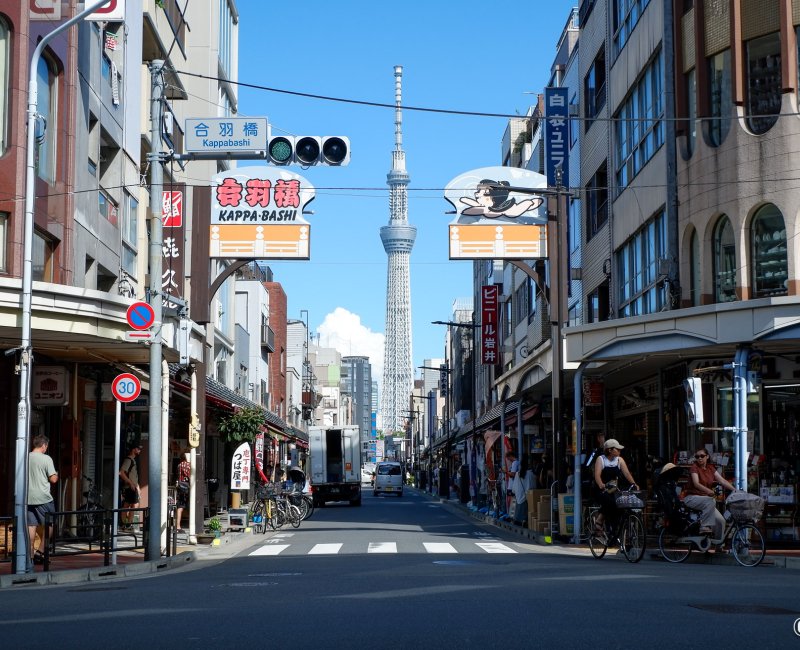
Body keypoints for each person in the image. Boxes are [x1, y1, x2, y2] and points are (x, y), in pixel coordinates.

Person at [682, 447, 736, 541]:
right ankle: (704, 526)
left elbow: (722, 480)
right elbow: (696, 483)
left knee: (721, 521)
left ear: (707, 456)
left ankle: (718, 544)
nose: (699, 458)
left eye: (702, 456)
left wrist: (735, 490)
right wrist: (708, 491)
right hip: (692, 498)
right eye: (697, 456)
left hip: (705, 501)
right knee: (711, 500)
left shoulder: (710, 468)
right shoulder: (694, 467)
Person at [593, 438, 639, 536]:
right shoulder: (601, 459)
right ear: (610, 450)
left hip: (615, 489)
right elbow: (597, 475)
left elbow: (627, 473)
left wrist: (634, 484)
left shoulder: (619, 460)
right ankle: (600, 521)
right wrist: (601, 484)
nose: (619, 451)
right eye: (617, 449)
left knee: (621, 502)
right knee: (610, 502)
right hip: (603, 489)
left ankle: (615, 528)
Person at [27, 434, 58, 565]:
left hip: (28, 498)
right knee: (50, 523)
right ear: (44, 445)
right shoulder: (46, 459)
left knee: (31, 526)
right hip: (44, 498)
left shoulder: (26, 457)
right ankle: (40, 551)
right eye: (46, 446)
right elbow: (53, 479)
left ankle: (30, 556)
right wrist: (56, 474)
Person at [119, 442, 143, 530]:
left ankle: (128, 524)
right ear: (133, 449)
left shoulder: (133, 460)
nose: (139, 451)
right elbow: (121, 473)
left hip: (133, 487)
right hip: (129, 487)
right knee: (127, 505)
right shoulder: (128, 460)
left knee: (133, 505)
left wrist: (137, 487)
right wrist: (130, 483)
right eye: (138, 449)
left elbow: (133, 476)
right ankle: (124, 524)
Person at [174, 452, 190, 533]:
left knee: (180, 507)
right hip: (187, 487)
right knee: (185, 506)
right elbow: (189, 476)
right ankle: (190, 525)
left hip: (180, 487)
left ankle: (177, 526)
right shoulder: (187, 465)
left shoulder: (179, 465)